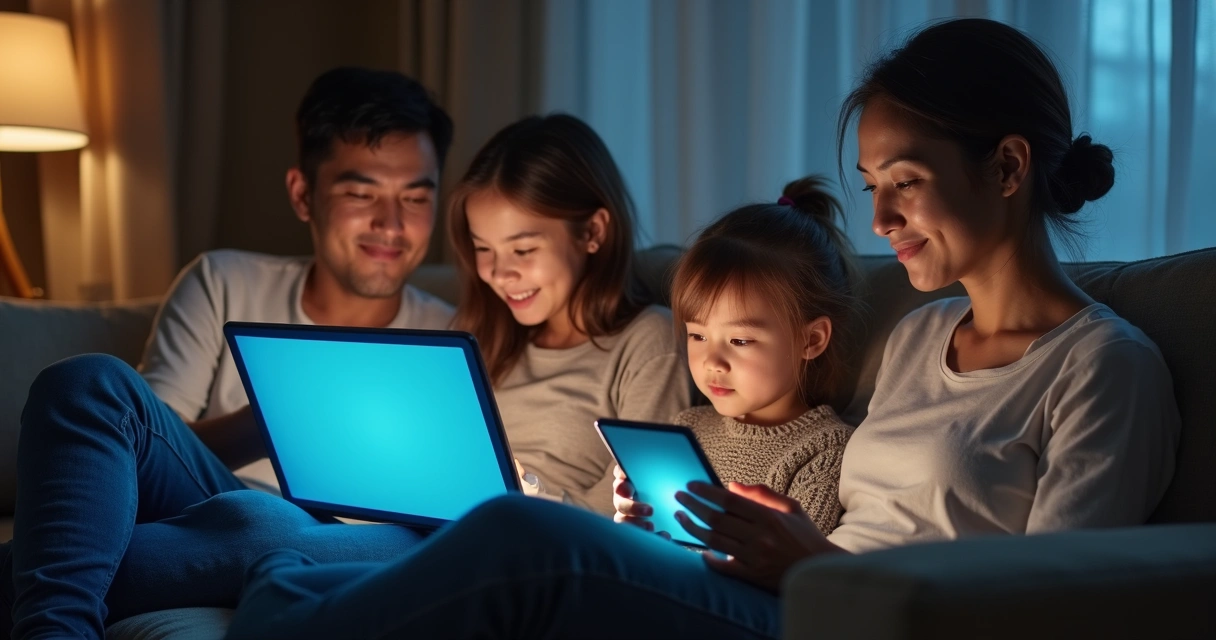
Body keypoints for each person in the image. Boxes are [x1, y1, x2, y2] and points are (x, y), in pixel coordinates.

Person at [223, 18, 1180, 640]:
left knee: (522, 531)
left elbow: (1063, 608)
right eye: (871, 189)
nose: (883, 222)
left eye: (908, 183)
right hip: (789, 593)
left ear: (1008, 167)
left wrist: (809, 563)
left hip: (839, 621)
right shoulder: (922, 333)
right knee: (305, 560)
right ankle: (279, 603)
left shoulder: (1102, 370)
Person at [1, 67, 454, 639]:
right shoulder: (224, 280)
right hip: (207, 497)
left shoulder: (455, 334)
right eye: (361, 194)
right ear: (302, 194)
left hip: (359, 538)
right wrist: (271, 427)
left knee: (263, 526)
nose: (392, 225)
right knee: (87, 383)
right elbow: (133, 456)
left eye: (416, 197)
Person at [447, 113, 690, 513]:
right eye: (483, 248)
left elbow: (640, 511)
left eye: (523, 250)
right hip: (451, 528)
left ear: (592, 232)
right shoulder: (484, 336)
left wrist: (526, 495)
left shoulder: (648, 341)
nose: (499, 273)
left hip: (543, 542)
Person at [615, 176, 856, 538]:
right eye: (697, 335)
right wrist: (633, 525)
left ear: (812, 339)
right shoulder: (687, 428)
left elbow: (791, 569)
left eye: (740, 341)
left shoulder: (825, 451)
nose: (712, 361)